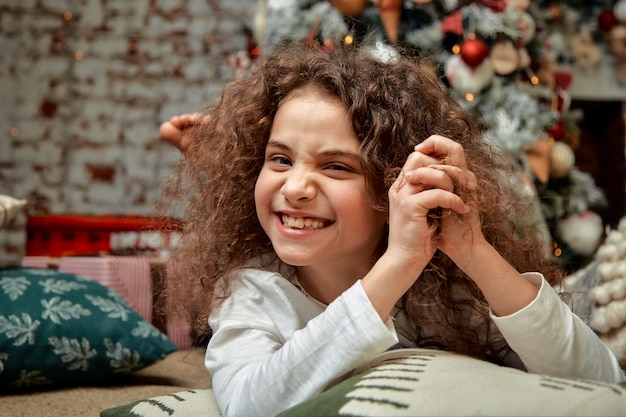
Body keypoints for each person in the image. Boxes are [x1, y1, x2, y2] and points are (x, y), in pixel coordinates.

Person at [160, 42, 625, 417]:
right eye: (279, 159)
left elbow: (600, 382)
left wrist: (474, 250)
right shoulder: (252, 292)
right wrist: (397, 266)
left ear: (395, 189)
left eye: (337, 166)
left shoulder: (449, 288)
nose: (296, 187)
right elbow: (248, 407)